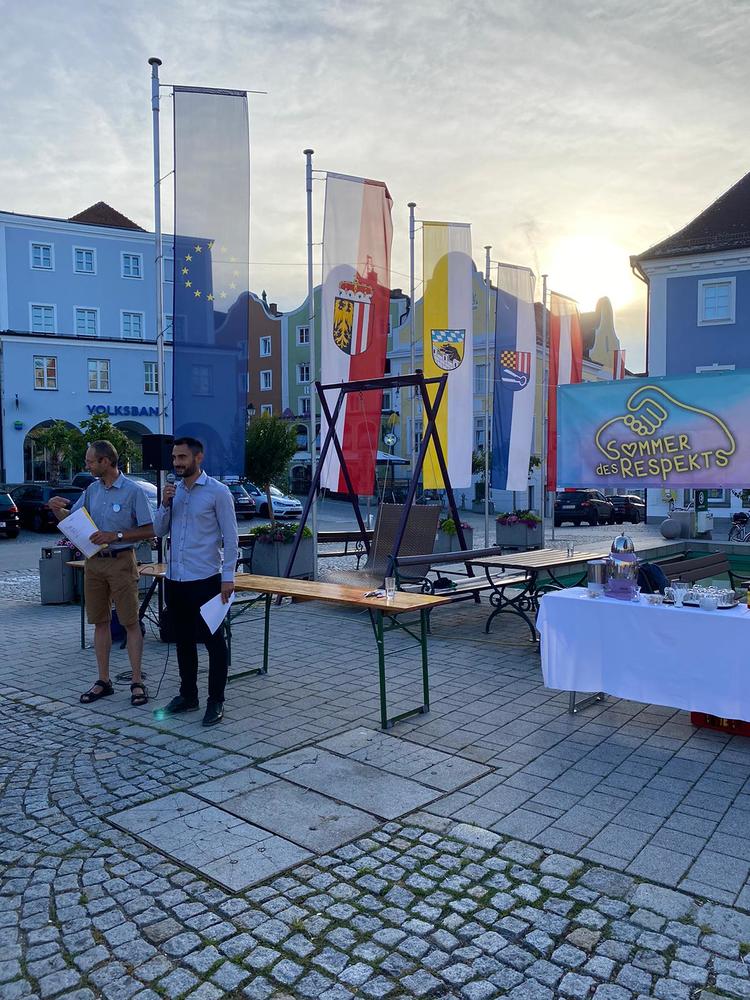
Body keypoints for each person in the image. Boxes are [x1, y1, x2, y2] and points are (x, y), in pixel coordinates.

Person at [48, 440, 155, 706]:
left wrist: (115, 535)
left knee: (130, 622)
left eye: (90, 461)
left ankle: (137, 682)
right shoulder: (92, 490)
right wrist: (56, 510)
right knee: (100, 622)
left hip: (121, 561)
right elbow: (73, 521)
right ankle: (103, 680)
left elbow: (150, 529)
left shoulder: (133, 491)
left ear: (105, 461)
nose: (87, 465)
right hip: (94, 562)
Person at [154, 436, 238, 727]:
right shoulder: (173, 492)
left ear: (198, 458)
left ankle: (216, 700)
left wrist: (228, 577)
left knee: (214, 642)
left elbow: (231, 537)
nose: (176, 463)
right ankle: (188, 695)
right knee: (183, 640)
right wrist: (164, 504)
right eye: (174, 458)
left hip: (206, 580)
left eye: (182, 457)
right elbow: (159, 530)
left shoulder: (218, 492)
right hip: (176, 579)